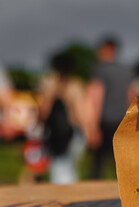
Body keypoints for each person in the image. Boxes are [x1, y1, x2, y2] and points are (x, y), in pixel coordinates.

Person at [87, 37, 134, 179]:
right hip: (122, 121)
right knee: (120, 163)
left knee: (98, 164)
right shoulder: (126, 71)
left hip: (104, 120)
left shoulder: (100, 70)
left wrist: (92, 128)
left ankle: (95, 197)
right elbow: (132, 96)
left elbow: (95, 99)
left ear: (107, 50)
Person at [39, 52, 87, 184]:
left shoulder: (50, 85)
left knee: (58, 169)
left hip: (55, 134)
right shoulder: (75, 85)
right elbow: (80, 114)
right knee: (70, 169)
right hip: (73, 132)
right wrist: (88, 131)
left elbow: (43, 112)